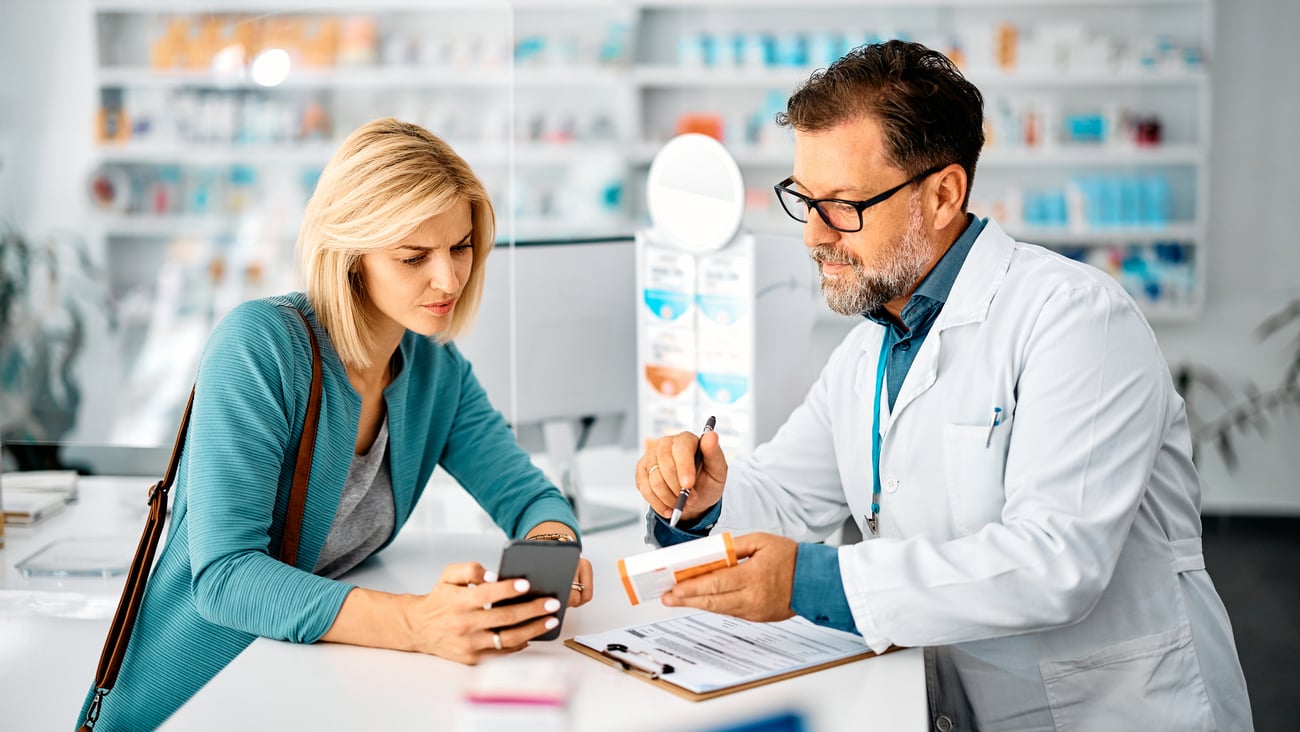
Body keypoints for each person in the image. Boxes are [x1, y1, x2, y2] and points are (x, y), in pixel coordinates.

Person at [635, 42, 1252, 731]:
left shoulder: (1077, 320)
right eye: (804, 200)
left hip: (1110, 711)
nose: (812, 235)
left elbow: (1056, 563)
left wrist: (813, 582)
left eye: (841, 205)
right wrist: (703, 502)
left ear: (942, 193)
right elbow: (785, 496)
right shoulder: (870, 348)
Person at [78, 118, 594, 731]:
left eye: (460, 247)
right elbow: (223, 576)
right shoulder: (260, 347)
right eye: (414, 256)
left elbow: (528, 495)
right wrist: (416, 623)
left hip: (306, 686)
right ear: (350, 256)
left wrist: (553, 545)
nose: (450, 278)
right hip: (195, 694)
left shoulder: (435, 371)